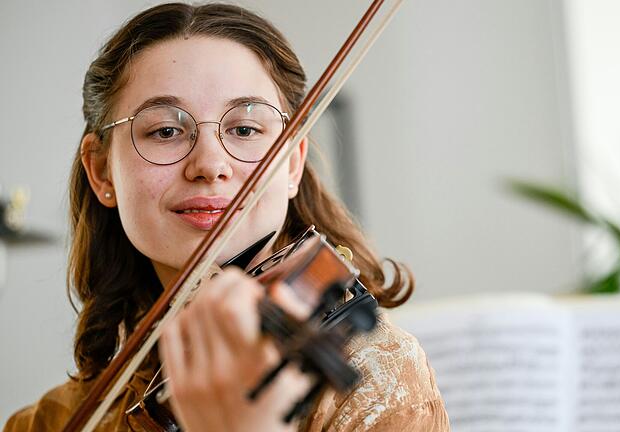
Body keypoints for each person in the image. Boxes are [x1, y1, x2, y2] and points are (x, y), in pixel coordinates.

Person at [2, 3, 448, 431]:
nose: (210, 164)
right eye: (166, 131)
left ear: (292, 164)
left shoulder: (376, 384)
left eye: (245, 129)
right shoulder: (49, 421)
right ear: (101, 171)